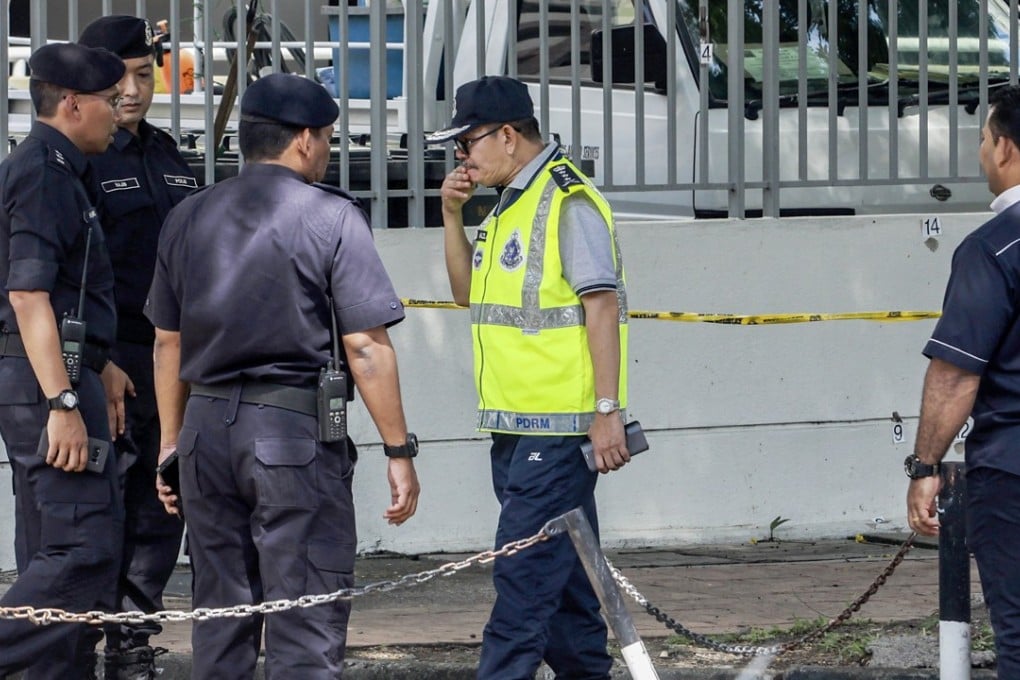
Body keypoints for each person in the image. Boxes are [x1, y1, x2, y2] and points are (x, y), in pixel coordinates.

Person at [144, 72, 422, 679]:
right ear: (303, 140)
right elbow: (365, 346)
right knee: (305, 619)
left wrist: (170, 447)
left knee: (221, 619)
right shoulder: (332, 216)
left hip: (204, 433)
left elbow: (168, 341)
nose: (327, 151)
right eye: (327, 138)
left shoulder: (187, 215)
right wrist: (398, 450)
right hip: (290, 435)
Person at [429, 75, 631, 679]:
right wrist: (451, 215)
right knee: (566, 588)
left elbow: (602, 306)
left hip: (559, 431)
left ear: (508, 135)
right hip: (515, 428)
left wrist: (606, 410)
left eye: (467, 143)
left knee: (521, 583)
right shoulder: (509, 203)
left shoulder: (566, 200)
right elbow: (467, 293)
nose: (462, 157)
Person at [0, 42, 126, 679]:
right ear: (72, 104)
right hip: (47, 385)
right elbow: (28, 294)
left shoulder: (61, 168)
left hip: (60, 374)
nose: (119, 111)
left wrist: (100, 364)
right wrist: (63, 401)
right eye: (110, 100)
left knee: (53, 547)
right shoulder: (45, 172)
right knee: (82, 548)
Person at [77, 15, 194, 679]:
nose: (133, 90)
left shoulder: (167, 154)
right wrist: (99, 359)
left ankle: (131, 641)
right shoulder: (79, 157)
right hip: (110, 357)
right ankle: (71, 641)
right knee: (100, 509)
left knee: (160, 503)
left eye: (144, 75)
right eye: (119, 76)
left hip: (171, 358)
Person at [906, 84, 1020, 679]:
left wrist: (925, 467)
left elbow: (954, 377)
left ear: (1004, 148)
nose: (981, 153)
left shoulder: (993, 249)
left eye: (982, 139)